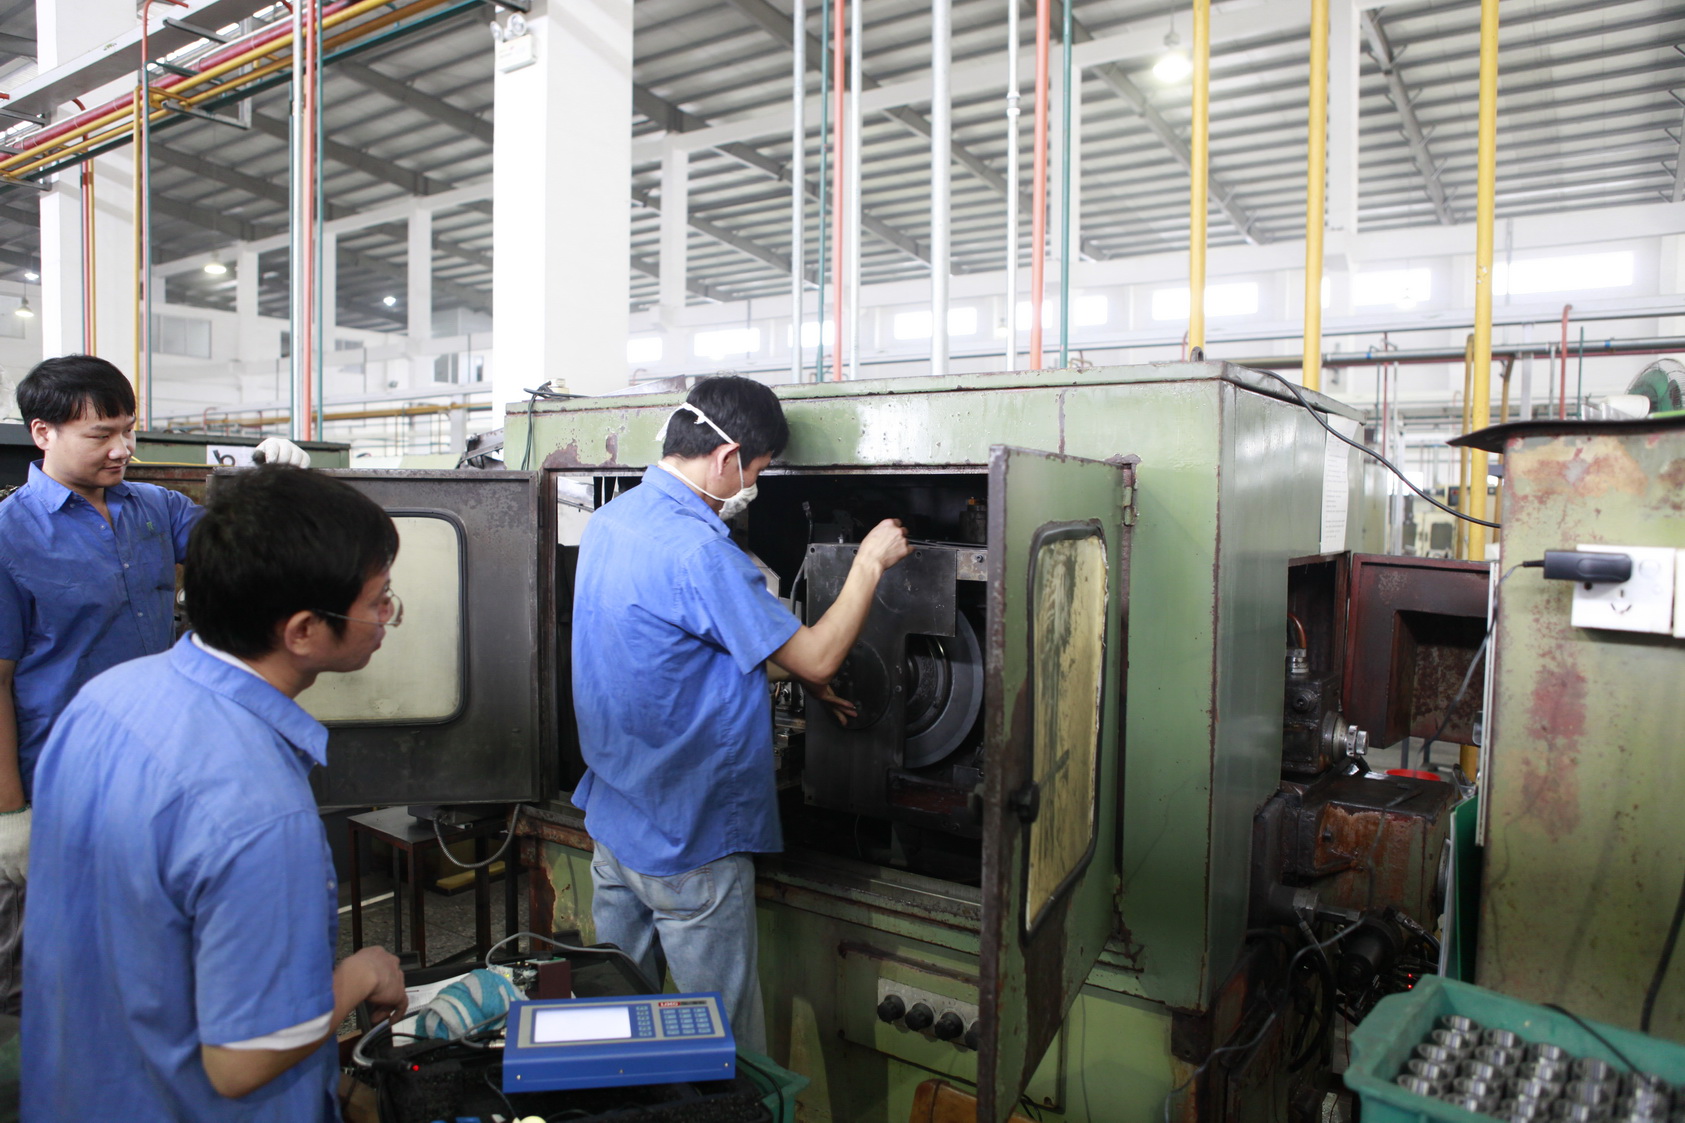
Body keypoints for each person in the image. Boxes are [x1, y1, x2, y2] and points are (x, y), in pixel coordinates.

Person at [21, 465, 407, 1120]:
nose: (386, 617)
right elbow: (243, 1061)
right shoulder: (257, 809)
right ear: (303, 631)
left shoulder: (106, 698)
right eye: (378, 601)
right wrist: (361, 974)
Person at [570, 375, 912, 1053]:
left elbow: (673, 653)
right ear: (728, 457)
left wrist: (798, 674)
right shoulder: (700, 551)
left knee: (616, 1029)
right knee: (721, 1045)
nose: (752, 485)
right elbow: (818, 657)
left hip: (614, 824)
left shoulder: (613, 521)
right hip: (688, 844)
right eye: (757, 471)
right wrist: (869, 565)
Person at [0, 354, 308, 1013]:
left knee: (142, 945)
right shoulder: (9, 536)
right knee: (46, 973)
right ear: (42, 433)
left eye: (128, 430)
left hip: (154, 766)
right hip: (61, 781)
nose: (123, 450)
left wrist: (270, 484)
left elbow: (247, 550)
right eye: (101, 434)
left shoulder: (155, 509)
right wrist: (10, 814)